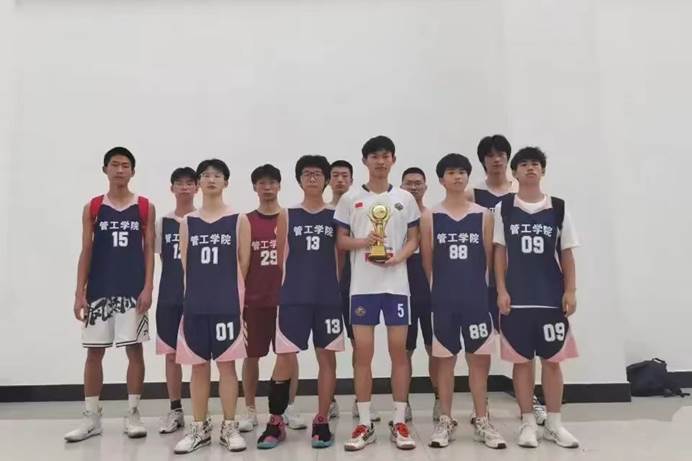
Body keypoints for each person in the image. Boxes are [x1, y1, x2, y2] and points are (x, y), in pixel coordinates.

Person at [65, 147, 155, 443]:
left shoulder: (144, 206)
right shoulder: (93, 207)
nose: (119, 170)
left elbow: (148, 249)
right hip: (99, 291)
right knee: (94, 353)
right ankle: (91, 416)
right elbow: (86, 249)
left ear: (132, 171)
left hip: (132, 291)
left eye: (125, 165)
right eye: (114, 165)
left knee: (134, 351)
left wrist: (148, 287)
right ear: (105, 169)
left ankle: (133, 413)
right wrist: (79, 292)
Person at [336, 136, 420, 451]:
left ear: (393, 160)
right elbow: (342, 241)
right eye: (374, 156)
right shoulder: (350, 198)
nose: (380, 161)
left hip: (397, 287)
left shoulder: (405, 198)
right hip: (362, 288)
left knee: (399, 352)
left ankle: (399, 420)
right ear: (365, 161)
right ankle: (364, 422)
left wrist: (399, 257)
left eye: (386, 156)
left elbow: (414, 239)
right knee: (363, 354)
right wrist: (365, 242)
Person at [494, 147, 580, 449]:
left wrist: (570, 290)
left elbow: (566, 252)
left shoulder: (558, 207)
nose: (530, 168)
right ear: (514, 172)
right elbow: (499, 252)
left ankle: (554, 423)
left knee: (553, 362)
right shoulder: (504, 207)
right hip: (517, 298)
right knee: (521, 363)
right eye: (524, 164)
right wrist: (501, 290)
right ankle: (528, 422)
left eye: (535, 164)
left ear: (542, 171)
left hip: (550, 298)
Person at [256, 155, 343, 449]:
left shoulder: (336, 214)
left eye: (318, 173)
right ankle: (275, 421)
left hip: (327, 299)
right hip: (294, 298)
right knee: (284, 359)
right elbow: (282, 258)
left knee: (326, 358)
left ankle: (322, 420)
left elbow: (340, 259)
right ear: (299, 180)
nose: (313, 178)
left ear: (326, 179)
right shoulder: (287, 214)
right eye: (307, 173)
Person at [420, 154, 506, 449]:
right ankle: (445, 419)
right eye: (451, 172)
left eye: (462, 172)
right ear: (441, 179)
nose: (457, 177)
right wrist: (440, 291)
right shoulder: (430, 216)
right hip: (444, 300)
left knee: (479, 360)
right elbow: (428, 263)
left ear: (468, 177)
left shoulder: (484, 215)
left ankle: (482, 418)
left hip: (476, 301)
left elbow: (489, 260)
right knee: (445, 360)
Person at [173, 159, 250, 454]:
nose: (211, 179)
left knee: (227, 367)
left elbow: (243, 263)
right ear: (199, 183)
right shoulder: (187, 222)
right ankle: (199, 427)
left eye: (217, 175)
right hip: (195, 304)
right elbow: (185, 264)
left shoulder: (238, 219)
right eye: (205, 175)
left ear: (226, 182)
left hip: (227, 305)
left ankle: (229, 426)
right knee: (198, 367)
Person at [469, 134, 547, 425]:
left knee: (525, 349)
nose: (496, 159)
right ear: (483, 160)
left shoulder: (522, 194)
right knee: (480, 347)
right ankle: (481, 407)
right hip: (482, 281)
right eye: (490, 155)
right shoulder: (472, 194)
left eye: (501, 154)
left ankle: (530, 402)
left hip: (519, 282)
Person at [237, 164, 305, 432]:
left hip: (286, 300)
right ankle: (250, 409)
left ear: (279, 186)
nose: (267, 187)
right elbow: (242, 262)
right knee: (251, 356)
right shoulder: (246, 221)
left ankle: (288, 406)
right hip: (254, 301)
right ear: (255, 187)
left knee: (289, 355)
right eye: (262, 183)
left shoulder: (290, 218)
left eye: (272, 182)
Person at [155, 167, 198, 434]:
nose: (184, 187)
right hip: (169, 297)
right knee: (171, 356)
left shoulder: (203, 220)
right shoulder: (163, 223)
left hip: (198, 296)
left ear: (197, 188)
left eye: (189, 183)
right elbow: (163, 259)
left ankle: (200, 414)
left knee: (197, 357)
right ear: (172, 188)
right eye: (179, 183)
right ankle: (175, 409)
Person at [400, 167, 437, 422]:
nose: (413, 187)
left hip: (432, 289)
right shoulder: (394, 217)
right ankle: (403, 403)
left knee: (435, 348)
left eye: (418, 183)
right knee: (405, 350)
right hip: (404, 288)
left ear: (425, 187)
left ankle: (440, 400)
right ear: (401, 187)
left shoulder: (434, 216)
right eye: (409, 183)